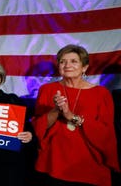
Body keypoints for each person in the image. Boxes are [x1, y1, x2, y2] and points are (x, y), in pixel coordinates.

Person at [31, 44, 120, 186]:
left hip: (89, 163)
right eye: (62, 61)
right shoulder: (47, 90)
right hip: (54, 162)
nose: (67, 65)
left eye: (74, 61)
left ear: (84, 67)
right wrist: (56, 110)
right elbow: (39, 128)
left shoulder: (101, 94)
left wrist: (70, 115)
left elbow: (106, 133)